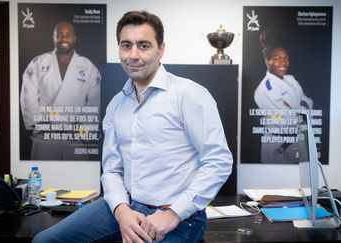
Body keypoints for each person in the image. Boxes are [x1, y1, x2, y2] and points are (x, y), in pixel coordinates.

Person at [32, 11, 232, 243]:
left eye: (143, 45)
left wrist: (173, 213)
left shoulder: (190, 95)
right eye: (126, 45)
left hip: (179, 216)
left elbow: (218, 161)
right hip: (129, 207)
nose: (133, 55)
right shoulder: (116, 105)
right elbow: (112, 170)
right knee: (43, 241)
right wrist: (121, 211)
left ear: (161, 49)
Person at [20, 21, 101, 160]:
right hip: (45, 136)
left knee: (77, 180)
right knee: (44, 179)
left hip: (75, 137)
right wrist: (37, 122)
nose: (64, 39)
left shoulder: (88, 66)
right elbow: (28, 94)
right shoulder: (39, 62)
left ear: (75, 38)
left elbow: (96, 99)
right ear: (53, 37)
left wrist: (84, 128)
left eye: (68, 35)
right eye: (60, 35)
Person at [254, 31, 313, 164]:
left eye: (285, 58)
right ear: (268, 61)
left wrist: (296, 109)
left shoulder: (291, 80)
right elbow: (286, 120)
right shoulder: (265, 89)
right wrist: (301, 107)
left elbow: (310, 103)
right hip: (277, 146)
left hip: (296, 142)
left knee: (298, 183)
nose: (283, 62)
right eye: (277, 59)